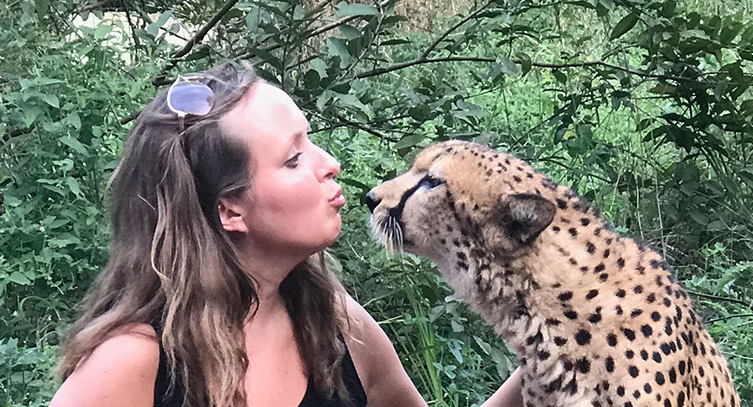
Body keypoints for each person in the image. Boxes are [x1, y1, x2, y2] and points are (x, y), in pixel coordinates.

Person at [49, 62, 523, 407]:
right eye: (293, 159)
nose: (329, 164)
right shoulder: (134, 363)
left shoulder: (333, 321)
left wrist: (563, 349)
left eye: (310, 140)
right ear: (230, 211)